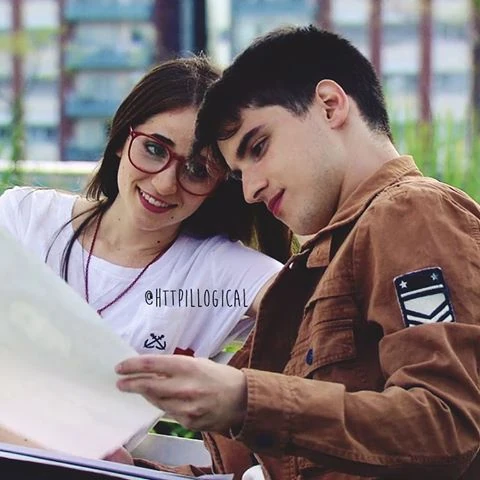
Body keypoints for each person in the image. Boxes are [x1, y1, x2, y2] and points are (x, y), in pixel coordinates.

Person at [112, 26, 480, 479]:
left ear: (329, 105)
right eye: (238, 173)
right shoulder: (323, 260)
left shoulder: (412, 213)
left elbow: (448, 424)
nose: (250, 190)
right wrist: (130, 471)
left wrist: (246, 400)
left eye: (258, 147)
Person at [0, 56, 294, 360]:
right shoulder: (25, 219)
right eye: (154, 149)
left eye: (197, 170)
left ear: (220, 183)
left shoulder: (219, 273)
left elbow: (315, 313)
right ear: (121, 139)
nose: (166, 184)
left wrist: (237, 383)